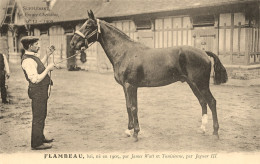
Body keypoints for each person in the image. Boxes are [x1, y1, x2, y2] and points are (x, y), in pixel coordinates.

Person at [20, 36, 56, 150]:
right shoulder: (27, 61)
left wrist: (47, 55)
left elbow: (39, 66)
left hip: (41, 91)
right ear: (30, 46)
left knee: (42, 114)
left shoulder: (32, 58)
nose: (38, 46)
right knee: (38, 116)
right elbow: (35, 79)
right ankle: (36, 143)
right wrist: (48, 69)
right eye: (36, 44)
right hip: (37, 91)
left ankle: (40, 137)